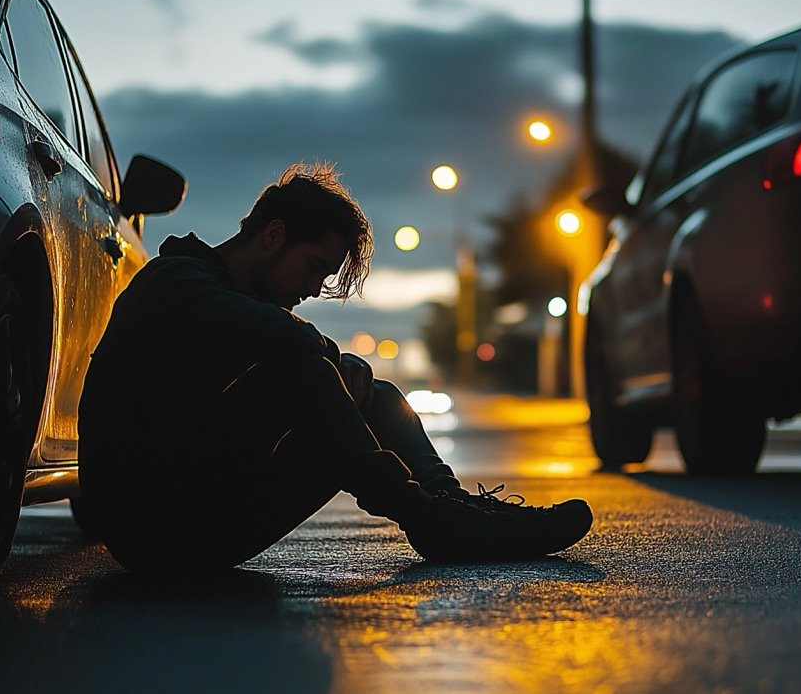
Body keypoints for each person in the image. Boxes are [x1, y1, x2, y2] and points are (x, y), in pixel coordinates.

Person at [78, 162, 592, 574]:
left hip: (204, 513)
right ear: (273, 235)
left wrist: (346, 377)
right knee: (311, 370)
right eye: (313, 269)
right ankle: (431, 518)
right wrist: (329, 356)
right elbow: (277, 337)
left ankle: (452, 510)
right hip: (150, 530)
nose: (312, 290)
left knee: (379, 396)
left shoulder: (236, 305)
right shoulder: (175, 281)